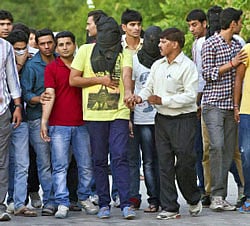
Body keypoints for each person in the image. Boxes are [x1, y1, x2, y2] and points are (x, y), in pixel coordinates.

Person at [127, 27, 202, 220]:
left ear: (175, 44)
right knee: (164, 163)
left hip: (184, 120)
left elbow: (190, 96)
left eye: (163, 42)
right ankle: (170, 206)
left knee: (185, 162)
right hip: (161, 120)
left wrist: (163, 100)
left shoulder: (188, 66)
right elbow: (148, 88)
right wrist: (138, 98)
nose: (159, 45)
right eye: (159, 41)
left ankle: (193, 198)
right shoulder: (157, 65)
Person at [69, 15, 136, 220]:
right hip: (94, 114)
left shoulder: (124, 53)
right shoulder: (84, 51)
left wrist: (127, 93)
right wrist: (100, 80)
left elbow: (126, 75)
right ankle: (104, 203)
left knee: (120, 156)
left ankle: (126, 203)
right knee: (98, 159)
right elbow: (74, 80)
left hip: (119, 112)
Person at [40, 31, 98, 218]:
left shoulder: (84, 66)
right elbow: (50, 95)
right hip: (59, 125)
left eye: (68, 44)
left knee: (86, 165)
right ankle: (62, 202)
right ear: (57, 48)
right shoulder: (52, 68)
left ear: (75, 45)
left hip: (83, 123)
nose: (65, 47)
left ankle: (84, 197)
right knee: (59, 166)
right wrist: (44, 121)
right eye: (61, 44)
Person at [201, 7, 247, 211]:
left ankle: (220, 195)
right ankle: (214, 194)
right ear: (233, 24)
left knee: (228, 150)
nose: (241, 25)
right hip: (213, 104)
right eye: (240, 22)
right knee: (216, 146)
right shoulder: (210, 43)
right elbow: (207, 74)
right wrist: (231, 63)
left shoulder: (238, 44)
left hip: (231, 106)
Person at [20, 28, 56, 216]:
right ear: (38, 45)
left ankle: (64, 198)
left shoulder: (61, 60)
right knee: (44, 162)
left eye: (49, 42)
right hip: (36, 119)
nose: (47, 46)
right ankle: (50, 201)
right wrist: (38, 98)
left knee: (62, 162)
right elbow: (25, 93)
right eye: (42, 43)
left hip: (61, 118)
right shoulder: (32, 65)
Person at [5, 29, 37, 217]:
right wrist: (18, 64)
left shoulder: (32, 61)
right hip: (4, 115)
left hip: (22, 118)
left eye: (23, 49)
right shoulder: (5, 60)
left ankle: (19, 202)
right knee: (5, 163)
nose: (20, 52)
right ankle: (8, 200)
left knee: (22, 163)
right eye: (16, 49)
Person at [132, 26, 162, 213]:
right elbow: (131, 87)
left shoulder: (166, 61)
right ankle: (153, 199)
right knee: (149, 161)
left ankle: (166, 197)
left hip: (163, 116)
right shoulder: (135, 60)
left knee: (164, 161)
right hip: (142, 118)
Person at [121, 8, 143, 209]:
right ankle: (131, 196)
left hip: (147, 107)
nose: (136, 28)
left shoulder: (151, 44)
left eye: (138, 24)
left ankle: (154, 196)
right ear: (124, 27)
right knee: (128, 155)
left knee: (151, 156)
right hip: (123, 107)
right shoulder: (118, 47)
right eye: (132, 25)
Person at [0, 37, 22, 221]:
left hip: (2, 111)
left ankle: (0, 206)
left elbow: (12, 77)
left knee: (2, 161)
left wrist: (17, 106)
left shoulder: (5, 46)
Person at [186, 8, 207, 200]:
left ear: (204, 23)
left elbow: (202, 76)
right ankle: (204, 186)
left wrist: (197, 101)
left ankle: (205, 188)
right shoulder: (196, 43)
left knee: (202, 147)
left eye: (195, 25)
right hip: (200, 99)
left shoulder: (202, 44)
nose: (192, 29)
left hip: (203, 100)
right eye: (190, 26)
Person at [234, 42, 250, 213]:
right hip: (247, 111)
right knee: (247, 154)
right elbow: (239, 78)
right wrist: (236, 106)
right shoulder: (247, 49)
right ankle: (249, 195)